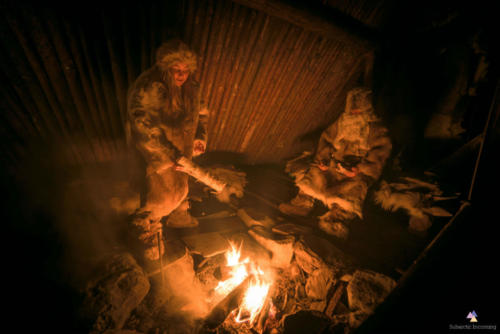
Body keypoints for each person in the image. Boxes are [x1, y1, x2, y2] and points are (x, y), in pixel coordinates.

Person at [127, 39, 208, 262]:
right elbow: (142, 122)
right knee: (156, 194)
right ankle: (147, 231)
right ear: (166, 67)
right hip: (156, 151)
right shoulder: (151, 87)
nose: (181, 75)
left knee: (180, 185)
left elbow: (201, 114)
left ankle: (175, 213)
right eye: (176, 69)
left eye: (185, 70)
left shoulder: (192, 87)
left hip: (181, 150)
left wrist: (200, 136)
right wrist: (166, 154)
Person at [279, 87, 391, 239]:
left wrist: (357, 170)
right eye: (352, 109)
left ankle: (339, 217)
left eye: (358, 110)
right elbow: (326, 139)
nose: (354, 113)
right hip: (335, 164)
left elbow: (380, 155)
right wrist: (324, 160)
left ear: (366, 111)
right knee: (315, 177)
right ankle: (303, 203)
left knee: (349, 196)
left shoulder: (375, 129)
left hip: (355, 172)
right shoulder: (341, 123)